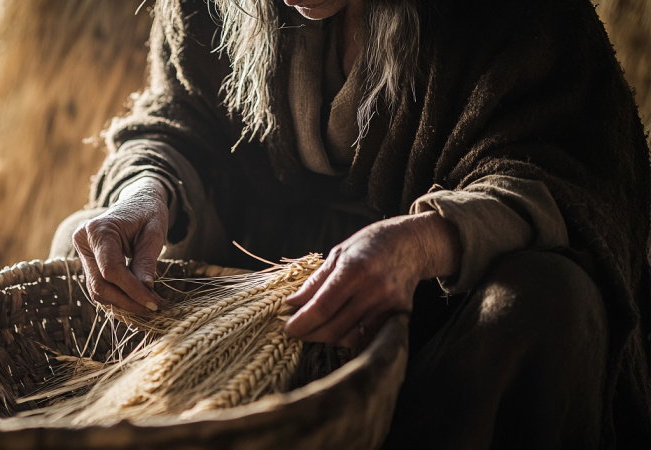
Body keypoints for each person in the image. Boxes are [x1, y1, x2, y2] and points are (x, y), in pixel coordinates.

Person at [50, 0, 651, 447]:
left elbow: (569, 169)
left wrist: (420, 243)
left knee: (547, 303)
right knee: (81, 246)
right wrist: (145, 194)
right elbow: (180, 115)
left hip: (437, 308)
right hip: (255, 288)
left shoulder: (516, 18)